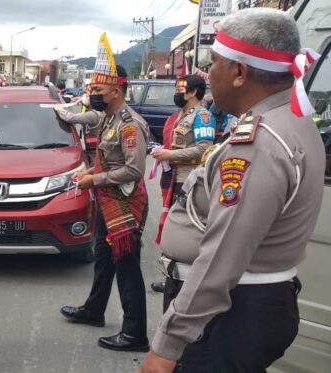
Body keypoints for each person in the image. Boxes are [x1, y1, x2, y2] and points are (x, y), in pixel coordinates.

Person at [139, 8, 324, 373]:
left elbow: (222, 257)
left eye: (214, 64)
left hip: (229, 313)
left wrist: (167, 344)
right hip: (248, 306)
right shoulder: (291, 120)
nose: (209, 76)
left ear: (239, 73)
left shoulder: (259, 143)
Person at [59, 33, 150, 353]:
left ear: (115, 90)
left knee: (127, 268)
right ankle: (94, 311)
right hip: (108, 200)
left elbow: (134, 170)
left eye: (97, 90)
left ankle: (135, 333)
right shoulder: (108, 118)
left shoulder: (129, 124)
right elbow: (107, 161)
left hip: (125, 204)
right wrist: (89, 173)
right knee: (103, 259)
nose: (92, 94)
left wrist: (94, 181)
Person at [149, 75, 214, 293]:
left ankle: (189, 280)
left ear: (193, 92)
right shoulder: (180, 116)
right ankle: (171, 277)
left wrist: (171, 154)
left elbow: (204, 149)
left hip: (189, 179)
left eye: (181, 88)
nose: (177, 92)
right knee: (172, 228)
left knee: (187, 231)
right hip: (175, 178)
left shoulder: (203, 116)